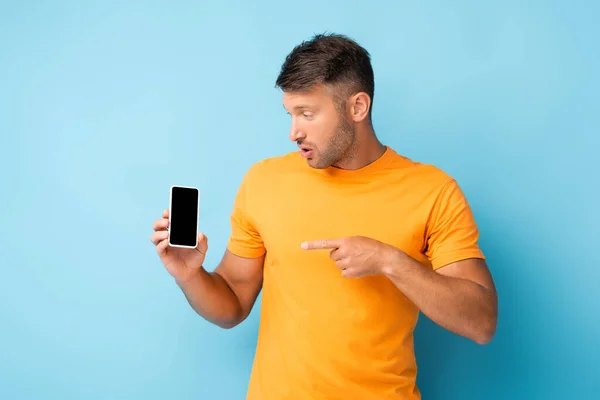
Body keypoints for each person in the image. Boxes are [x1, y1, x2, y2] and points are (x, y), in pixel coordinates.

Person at [150, 33, 498, 400]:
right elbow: (233, 302)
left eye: (308, 114)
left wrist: (390, 260)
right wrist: (190, 276)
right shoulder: (264, 181)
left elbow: (481, 322)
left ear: (358, 107)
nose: (293, 132)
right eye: (290, 113)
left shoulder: (433, 191)